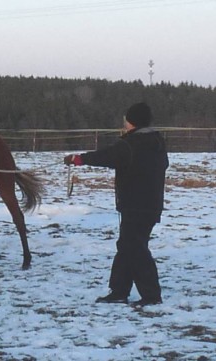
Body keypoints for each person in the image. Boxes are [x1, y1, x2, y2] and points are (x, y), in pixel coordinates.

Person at [64, 102, 169, 306]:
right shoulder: (156, 141)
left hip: (135, 204)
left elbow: (106, 156)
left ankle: (151, 295)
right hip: (150, 204)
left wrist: (78, 159)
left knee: (136, 248)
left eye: (126, 120)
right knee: (127, 246)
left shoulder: (131, 144)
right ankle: (119, 290)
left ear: (132, 122)